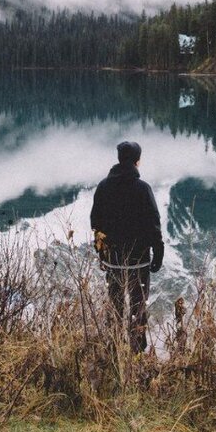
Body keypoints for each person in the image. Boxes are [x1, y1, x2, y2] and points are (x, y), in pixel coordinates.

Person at [89, 140, 164, 353]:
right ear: (137, 161)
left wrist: (101, 253)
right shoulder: (143, 188)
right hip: (138, 261)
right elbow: (153, 222)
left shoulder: (104, 187)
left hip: (113, 260)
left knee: (115, 306)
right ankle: (137, 351)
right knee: (138, 307)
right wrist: (158, 252)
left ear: (119, 159)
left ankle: (113, 349)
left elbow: (96, 223)